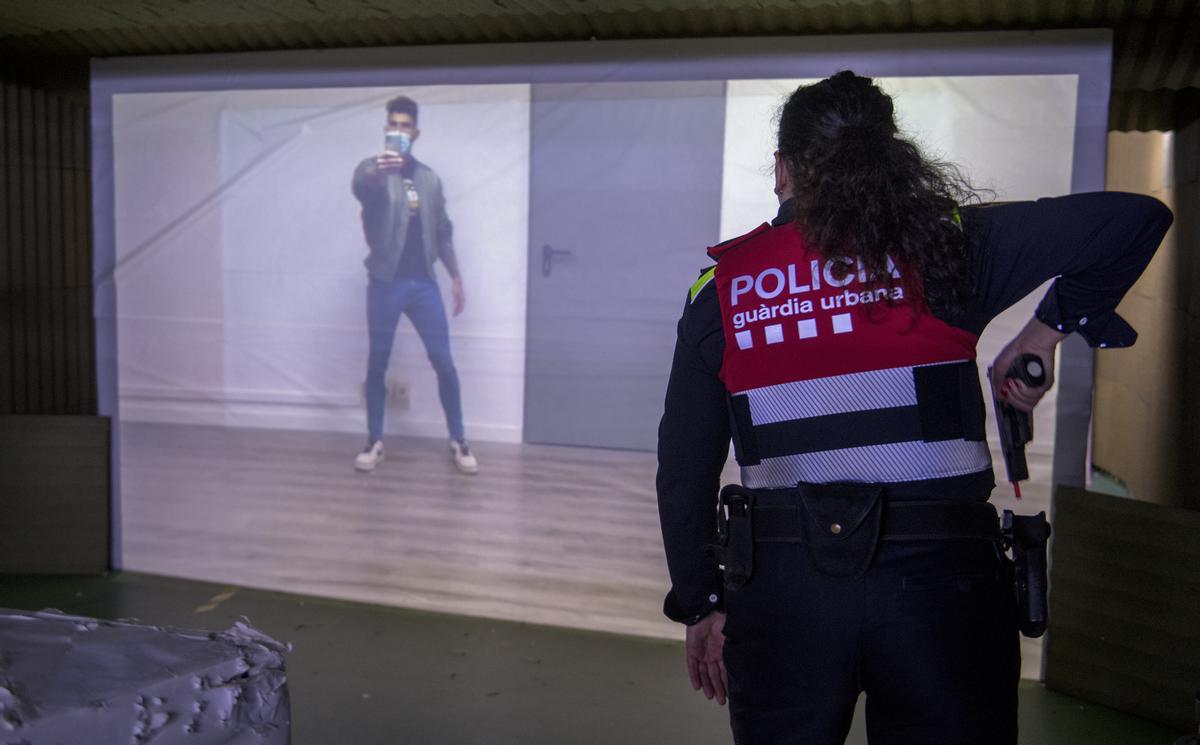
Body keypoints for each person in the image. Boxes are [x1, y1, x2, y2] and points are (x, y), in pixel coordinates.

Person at [656, 71, 1172, 744]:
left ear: (783, 170)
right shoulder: (948, 245)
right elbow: (1136, 221)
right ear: (889, 157)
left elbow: (683, 470)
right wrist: (1041, 333)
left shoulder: (721, 289)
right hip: (945, 586)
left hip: (785, 589)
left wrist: (702, 600)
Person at [351, 95, 478, 475]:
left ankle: (458, 439)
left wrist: (455, 275)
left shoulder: (429, 180)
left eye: (406, 125)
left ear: (415, 132)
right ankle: (374, 441)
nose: (399, 130)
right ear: (386, 128)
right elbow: (361, 186)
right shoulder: (373, 171)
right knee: (378, 364)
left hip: (423, 284)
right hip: (385, 283)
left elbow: (442, 231)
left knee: (444, 362)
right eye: (394, 124)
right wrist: (378, 171)